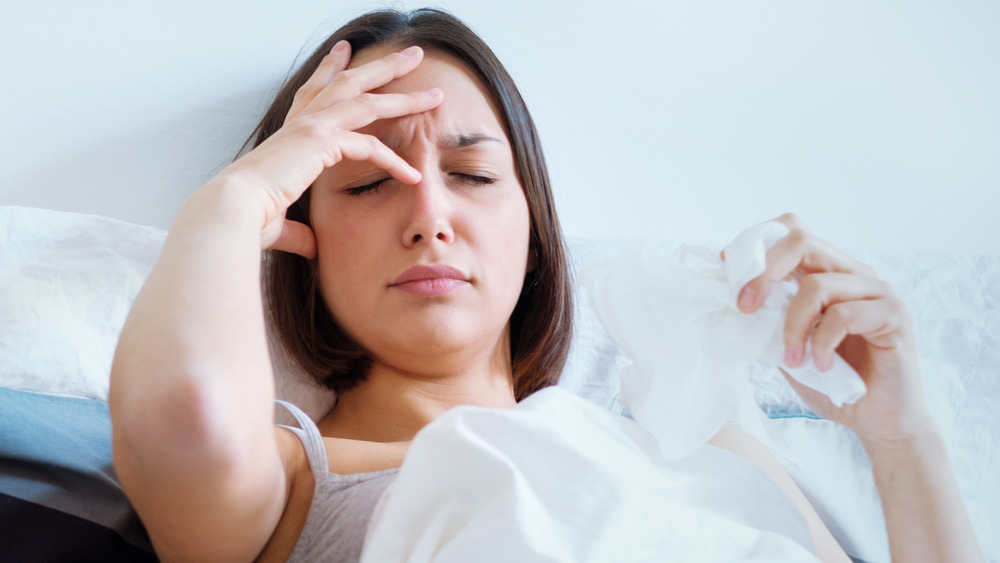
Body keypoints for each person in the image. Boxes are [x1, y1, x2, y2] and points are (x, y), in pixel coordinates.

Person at [108, 8, 983, 562]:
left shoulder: (694, 449)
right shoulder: (292, 480)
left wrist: (902, 441)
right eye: (369, 181)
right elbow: (181, 412)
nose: (430, 217)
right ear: (303, 237)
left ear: (533, 237)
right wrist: (235, 198)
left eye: (476, 175)